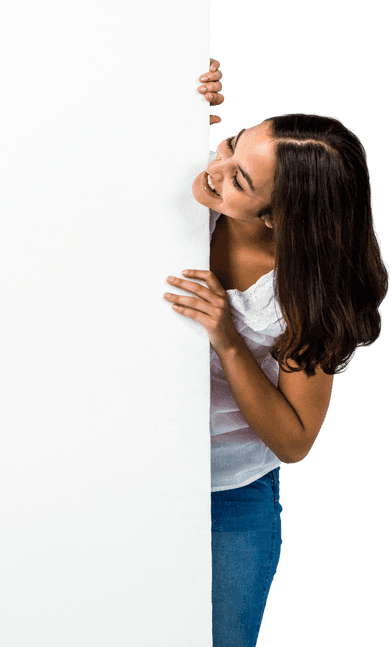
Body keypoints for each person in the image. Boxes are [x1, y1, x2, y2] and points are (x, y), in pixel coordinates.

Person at [170, 61, 388, 646]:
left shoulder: (305, 293)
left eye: (239, 180)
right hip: (129, 468)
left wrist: (227, 337)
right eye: (231, 143)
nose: (214, 169)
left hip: (229, 494)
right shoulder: (196, 190)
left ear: (276, 216)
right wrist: (176, 98)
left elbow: (294, 441)